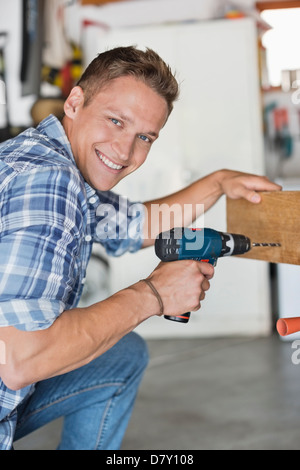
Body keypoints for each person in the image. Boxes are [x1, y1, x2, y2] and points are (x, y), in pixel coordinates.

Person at [0, 46, 281, 450]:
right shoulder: (50, 182)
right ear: (76, 101)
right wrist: (152, 295)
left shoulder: (47, 160)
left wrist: (218, 183)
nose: (125, 151)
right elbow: (20, 359)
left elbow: (134, 224)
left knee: (121, 354)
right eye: (116, 121)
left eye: (144, 137)